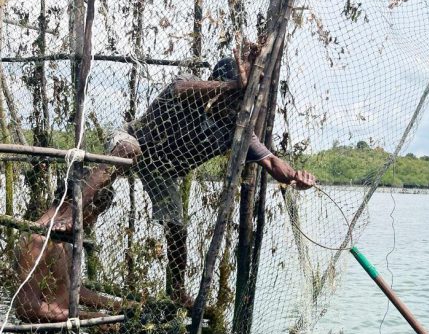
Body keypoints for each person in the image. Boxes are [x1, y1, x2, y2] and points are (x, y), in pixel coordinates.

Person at [89, 43, 316, 305]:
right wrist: (234, 86)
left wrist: (295, 177)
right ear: (217, 88)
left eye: (240, 102)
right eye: (232, 100)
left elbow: (272, 162)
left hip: (162, 171)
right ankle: (72, 214)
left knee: (176, 227)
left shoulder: (236, 129)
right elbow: (178, 89)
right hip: (134, 142)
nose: (234, 108)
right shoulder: (190, 88)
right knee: (122, 155)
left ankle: (175, 291)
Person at [15, 168, 125, 323]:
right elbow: (27, 308)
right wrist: (89, 317)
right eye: (92, 212)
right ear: (71, 204)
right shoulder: (37, 241)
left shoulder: (62, 239)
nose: (92, 221)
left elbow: (74, 290)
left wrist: (119, 305)